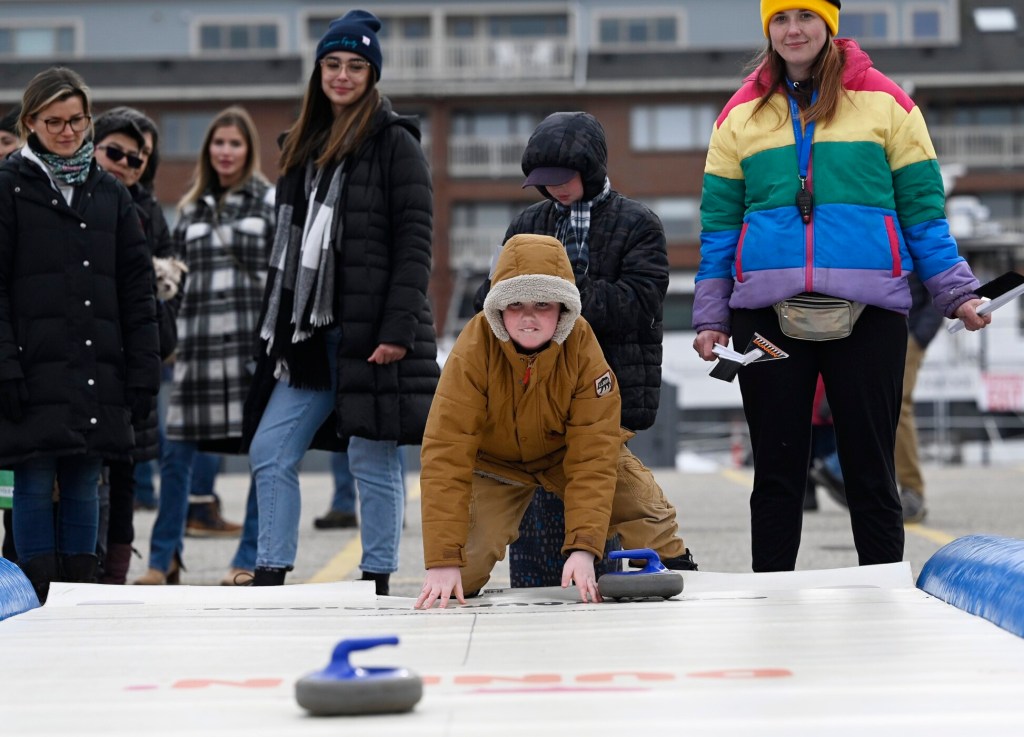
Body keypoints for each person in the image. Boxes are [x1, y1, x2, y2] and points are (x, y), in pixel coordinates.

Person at [692, 1, 990, 572]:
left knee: (871, 470)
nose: (793, 29)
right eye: (781, 19)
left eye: (806, 16)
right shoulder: (740, 115)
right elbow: (720, 229)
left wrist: (957, 292)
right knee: (777, 473)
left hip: (869, 312)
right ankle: (770, 596)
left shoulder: (887, 102)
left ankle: (883, 592)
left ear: (829, 24)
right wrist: (710, 318)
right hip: (767, 319)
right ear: (768, 29)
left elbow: (924, 212)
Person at [241, 9, 438, 594]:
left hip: (371, 332)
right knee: (270, 449)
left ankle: (377, 577)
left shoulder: (395, 144)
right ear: (318, 71)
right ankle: (271, 570)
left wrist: (398, 328)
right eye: (333, 64)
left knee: (371, 462)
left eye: (356, 65)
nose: (343, 75)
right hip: (308, 336)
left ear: (372, 75)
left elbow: (415, 242)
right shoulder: (303, 147)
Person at [415, 234, 695, 610]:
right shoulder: (473, 349)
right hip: (495, 465)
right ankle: (455, 570)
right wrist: (443, 559)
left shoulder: (582, 347)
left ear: (563, 307)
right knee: (459, 574)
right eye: (515, 304)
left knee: (647, 509)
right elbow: (445, 454)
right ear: (497, 308)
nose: (528, 316)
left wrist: (583, 548)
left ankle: (683, 573)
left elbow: (593, 457)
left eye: (542, 304)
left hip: (566, 455)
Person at [474, 111, 671, 587]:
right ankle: (542, 589)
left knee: (602, 490)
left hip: (612, 387)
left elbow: (639, 303)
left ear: (592, 168)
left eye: (563, 178)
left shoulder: (638, 223)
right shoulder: (528, 223)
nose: (555, 189)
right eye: (544, 182)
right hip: (533, 391)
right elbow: (501, 299)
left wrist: (557, 298)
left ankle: (618, 583)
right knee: (538, 512)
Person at [0, 67, 160, 602]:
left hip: (97, 368)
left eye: (77, 121)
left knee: (87, 481)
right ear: (29, 123)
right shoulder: (7, 186)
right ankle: (37, 595)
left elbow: (138, 292)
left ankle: (81, 597)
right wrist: (5, 365)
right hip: (31, 368)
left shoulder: (108, 193)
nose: (68, 132)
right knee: (33, 477)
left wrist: (143, 372)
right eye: (54, 122)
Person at [136, 106, 273, 585]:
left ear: (248, 150)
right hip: (195, 351)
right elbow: (174, 275)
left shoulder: (270, 202)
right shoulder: (190, 207)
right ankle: (162, 558)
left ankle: (250, 557)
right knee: (175, 456)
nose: (226, 151)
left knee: (264, 456)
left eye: (235, 143)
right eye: (219, 143)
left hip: (249, 350)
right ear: (208, 150)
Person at [91, 107, 180, 583]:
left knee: (122, 480)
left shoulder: (148, 212)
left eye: (138, 157)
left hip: (131, 367)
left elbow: (167, 297)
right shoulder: (73, 201)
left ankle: (113, 577)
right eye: (116, 152)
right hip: (82, 364)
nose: (126, 163)